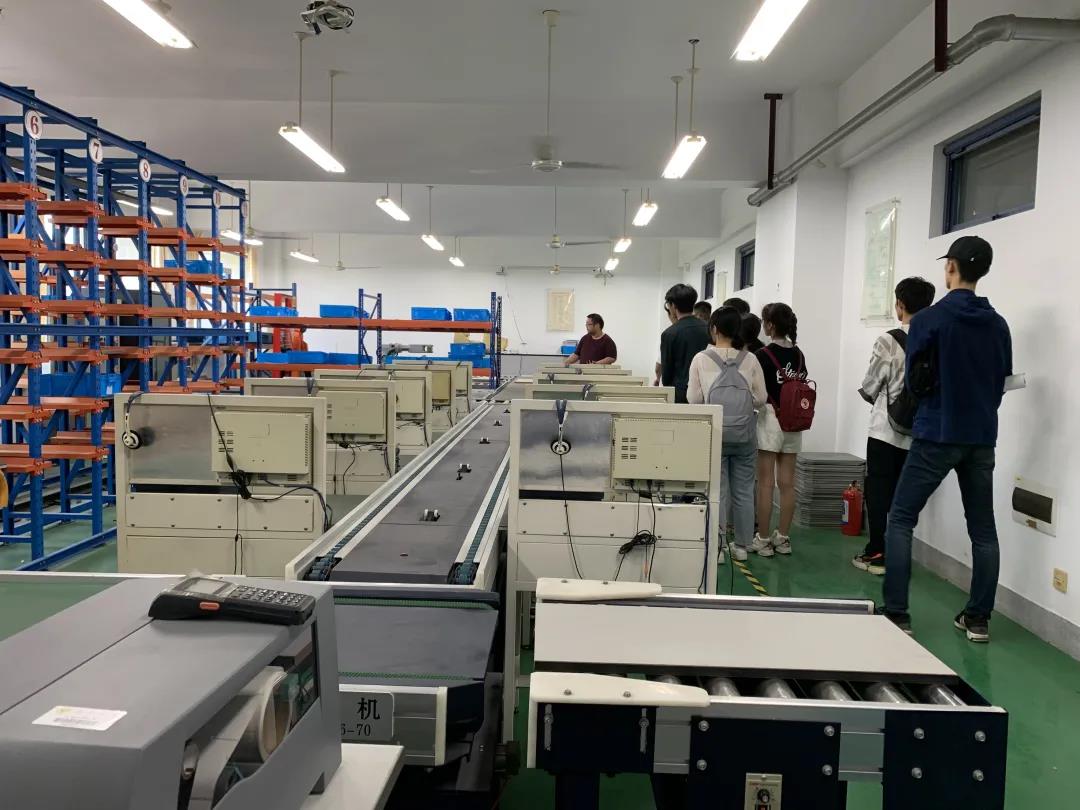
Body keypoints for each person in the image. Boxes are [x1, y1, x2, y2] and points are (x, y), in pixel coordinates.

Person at [882, 236, 1011, 642]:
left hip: (936, 432)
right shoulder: (998, 324)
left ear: (951, 267)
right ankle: (978, 619)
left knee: (901, 518)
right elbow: (1001, 382)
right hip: (981, 436)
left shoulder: (928, 321)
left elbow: (915, 382)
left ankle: (897, 614)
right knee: (983, 530)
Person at [854, 277, 936, 575]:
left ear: (900, 305)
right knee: (905, 496)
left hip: (884, 431)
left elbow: (870, 387)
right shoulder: (937, 341)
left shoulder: (888, 341)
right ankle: (900, 555)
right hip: (921, 432)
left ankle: (877, 552)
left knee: (878, 491)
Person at [687, 306, 767, 562]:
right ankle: (742, 547)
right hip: (745, 434)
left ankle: (718, 548)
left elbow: (693, 399)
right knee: (744, 490)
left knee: (717, 491)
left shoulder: (701, 359)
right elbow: (761, 398)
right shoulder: (750, 359)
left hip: (715, 433)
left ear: (714, 329)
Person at [752, 303, 807, 557]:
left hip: (770, 419)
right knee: (787, 483)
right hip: (795, 421)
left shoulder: (762, 355)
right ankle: (783, 538)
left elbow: (759, 392)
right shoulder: (799, 355)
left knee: (765, 483)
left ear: (770, 325)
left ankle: (763, 540)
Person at [660, 284, 711, 403]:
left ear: (673, 305)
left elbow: (666, 375)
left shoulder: (669, 333)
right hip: (707, 392)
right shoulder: (709, 328)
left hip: (680, 395)